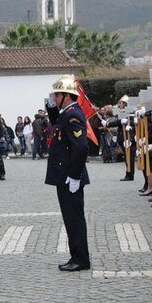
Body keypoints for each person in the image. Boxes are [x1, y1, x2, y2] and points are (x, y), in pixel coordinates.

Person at [45, 75, 90, 272]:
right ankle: (77, 256)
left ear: (66, 96)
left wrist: (74, 175)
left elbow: (80, 148)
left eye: (57, 95)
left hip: (69, 175)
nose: (54, 97)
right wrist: (51, 107)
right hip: (65, 174)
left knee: (74, 218)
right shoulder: (67, 112)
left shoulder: (73, 115)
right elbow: (57, 123)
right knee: (70, 217)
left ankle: (80, 259)